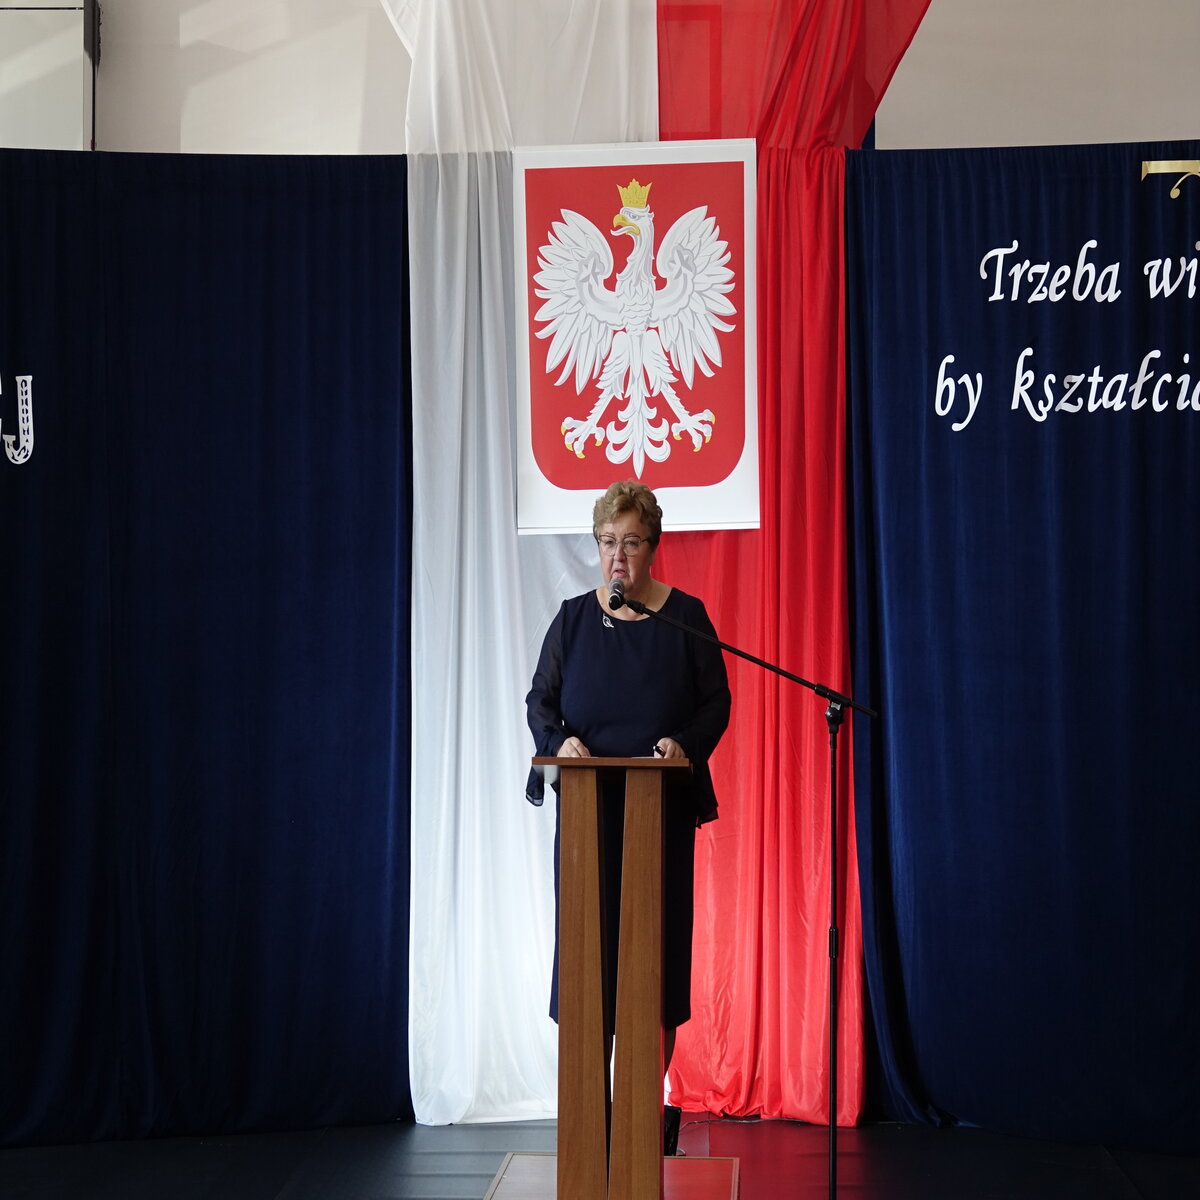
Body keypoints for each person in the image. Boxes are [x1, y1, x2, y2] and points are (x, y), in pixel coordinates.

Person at [525, 480, 731, 1086]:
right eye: (607, 542)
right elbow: (540, 701)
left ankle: (640, 1104)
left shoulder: (685, 618)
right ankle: (592, 1108)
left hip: (657, 815)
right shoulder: (573, 621)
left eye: (632, 542)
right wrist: (558, 743)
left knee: (652, 962)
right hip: (588, 817)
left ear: (653, 547)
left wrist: (684, 743)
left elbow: (715, 702)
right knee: (590, 956)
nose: (618, 556)